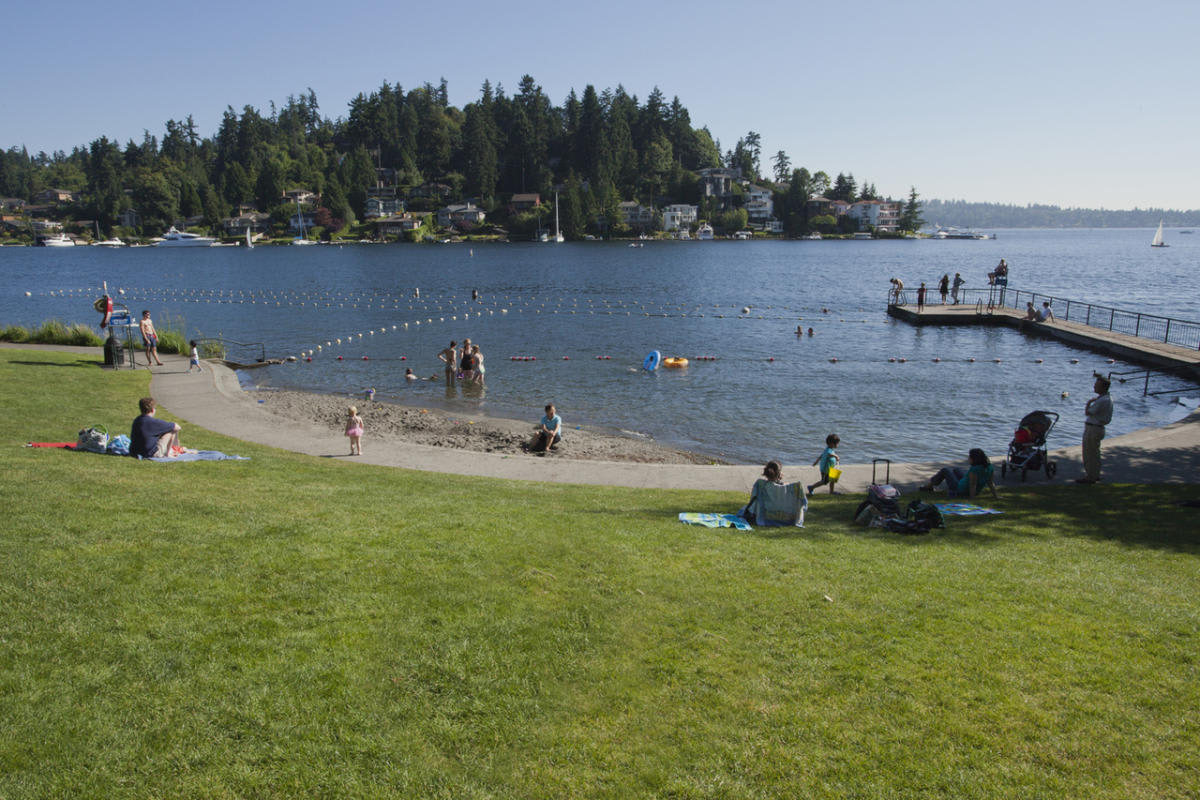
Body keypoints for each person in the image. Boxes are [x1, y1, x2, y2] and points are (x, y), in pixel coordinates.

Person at [920, 448, 998, 499]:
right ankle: (929, 486)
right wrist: (996, 496)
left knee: (945, 470)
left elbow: (972, 485)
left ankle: (928, 487)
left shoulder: (975, 470)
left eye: (969, 457)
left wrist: (972, 499)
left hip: (960, 489)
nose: (968, 459)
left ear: (974, 459)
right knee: (956, 470)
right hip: (970, 487)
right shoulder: (989, 467)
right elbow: (990, 483)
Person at [1077, 375, 1113, 484]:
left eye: (1097, 385)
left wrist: (1088, 403)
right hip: (1097, 428)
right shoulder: (1106, 398)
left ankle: (1090, 477)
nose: (1094, 387)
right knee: (1095, 453)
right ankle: (1095, 474)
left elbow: (1088, 412)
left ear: (1103, 387)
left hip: (1093, 429)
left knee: (1089, 453)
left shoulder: (1102, 400)